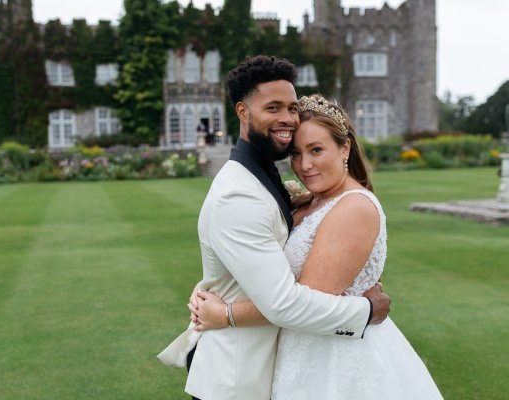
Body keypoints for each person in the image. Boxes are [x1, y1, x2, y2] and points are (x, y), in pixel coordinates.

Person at [157, 56, 391, 400]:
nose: (287, 118)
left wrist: (220, 299)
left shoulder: (267, 177)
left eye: (292, 108)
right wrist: (366, 310)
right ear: (242, 112)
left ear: (345, 148)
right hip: (237, 379)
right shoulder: (239, 193)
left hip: (280, 365)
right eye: (273, 107)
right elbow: (283, 303)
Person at [191, 94, 444, 399]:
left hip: (336, 358)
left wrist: (226, 313)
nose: (304, 165)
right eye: (296, 153)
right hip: (301, 349)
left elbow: (301, 302)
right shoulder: (309, 202)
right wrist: (211, 288)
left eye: (316, 150)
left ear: (345, 147)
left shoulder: (355, 208)